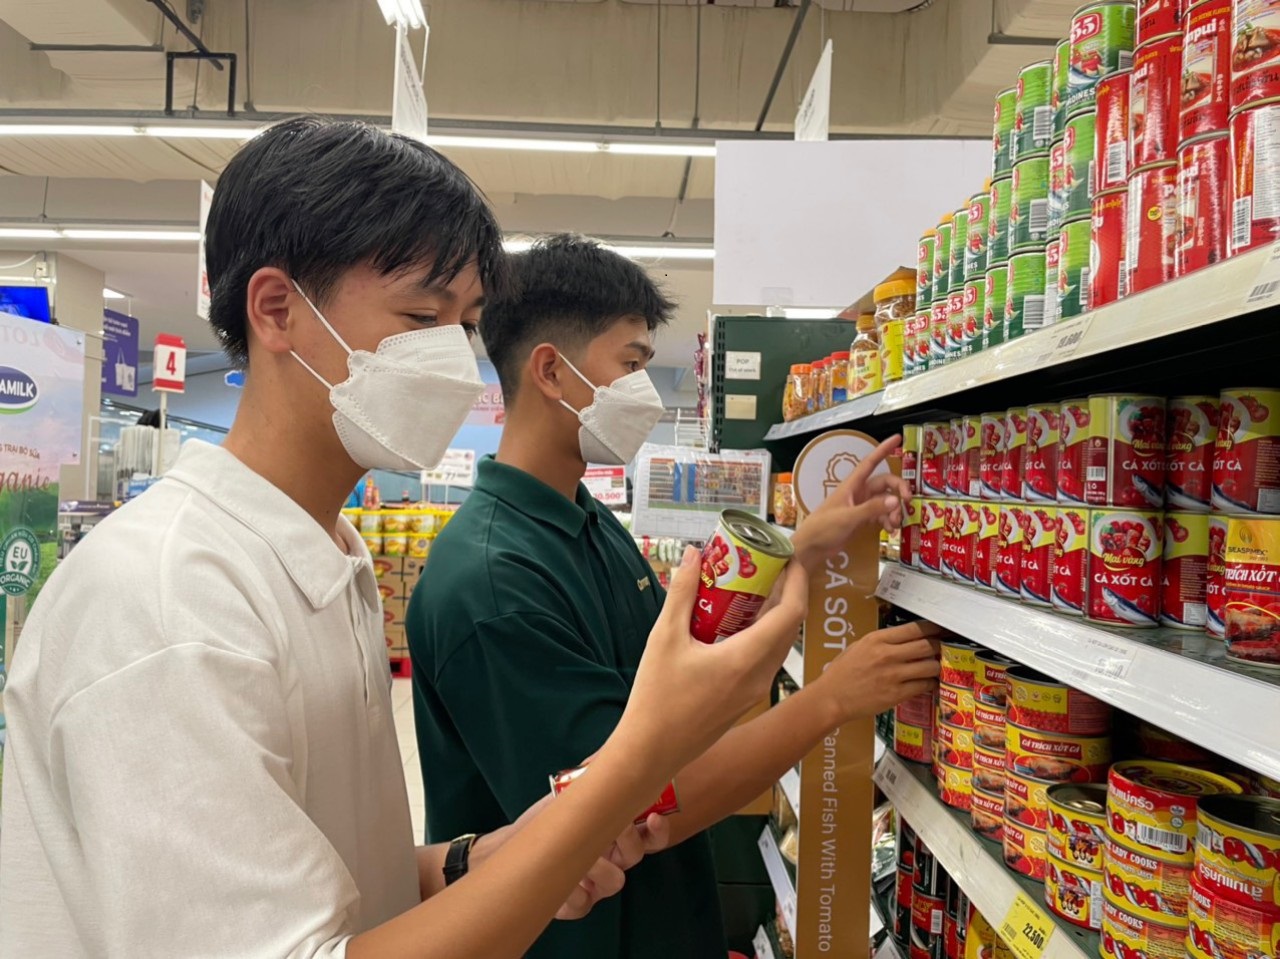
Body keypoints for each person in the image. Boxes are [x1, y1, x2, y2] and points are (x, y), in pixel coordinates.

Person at [0, 120, 812, 959]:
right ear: (278, 310)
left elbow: (324, 880)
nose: (456, 362)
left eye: (464, 324)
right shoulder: (168, 603)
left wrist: (466, 863)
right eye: (422, 315)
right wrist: (645, 749)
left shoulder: (327, 556)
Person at [407, 234, 943, 959]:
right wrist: (830, 699)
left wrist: (802, 549)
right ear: (550, 371)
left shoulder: (585, 521)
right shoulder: (493, 582)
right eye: (630, 363)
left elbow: (682, 654)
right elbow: (637, 804)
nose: (646, 391)